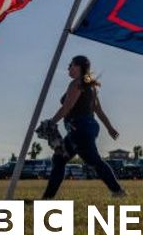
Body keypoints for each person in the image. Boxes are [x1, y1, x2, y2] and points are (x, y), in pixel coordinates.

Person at [41, 55, 126, 199]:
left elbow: (67, 107)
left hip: (79, 128)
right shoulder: (89, 85)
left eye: (71, 65)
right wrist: (110, 128)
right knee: (59, 159)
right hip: (84, 128)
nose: (68, 67)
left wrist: (52, 122)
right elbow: (98, 110)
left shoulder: (76, 83)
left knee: (94, 160)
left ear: (79, 67)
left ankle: (118, 191)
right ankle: (47, 198)